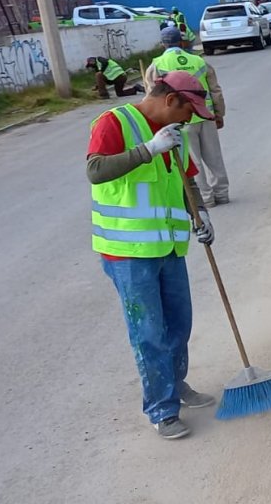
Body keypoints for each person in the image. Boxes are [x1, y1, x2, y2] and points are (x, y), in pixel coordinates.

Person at [86, 70, 218, 440]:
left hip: (169, 246)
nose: (190, 120)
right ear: (170, 100)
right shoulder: (114, 122)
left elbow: (186, 178)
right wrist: (148, 150)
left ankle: (176, 386)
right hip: (128, 252)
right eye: (187, 111)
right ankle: (162, 409)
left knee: (179, 323)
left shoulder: (174, 135)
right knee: (149, 333)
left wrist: (200, 213)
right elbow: (95, 171)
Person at [145, 28, 230, 206]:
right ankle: (222, 193)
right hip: (205, 116)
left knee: (193, 160)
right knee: (214, 157)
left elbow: (153, 98)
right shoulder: (199, 61)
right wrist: (218, 113)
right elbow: (215, 91)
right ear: (182, 42)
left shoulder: (157, 65)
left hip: (180, 119)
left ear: (162, 44)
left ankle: (206, 198)